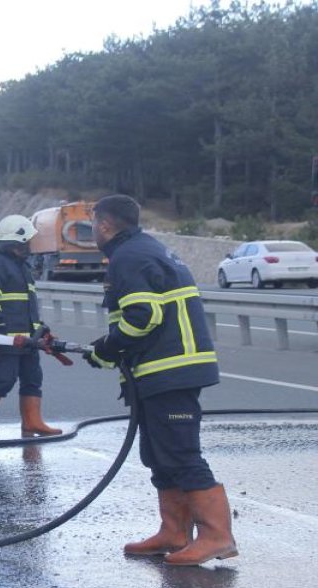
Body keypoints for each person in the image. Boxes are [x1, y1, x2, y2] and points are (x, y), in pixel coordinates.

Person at [85, 194, 235, 565]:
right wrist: (109, 352)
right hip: (160, 368)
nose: (92, 231)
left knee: (181, 454)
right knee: (158, 454)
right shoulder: (145, 249)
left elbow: (142, 316)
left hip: (171, 369)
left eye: (92, 224)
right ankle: (174, 533)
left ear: (105, 225)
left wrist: (107, 347)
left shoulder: (129, 257)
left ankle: (217, 536)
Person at [0, 214, 61, 439]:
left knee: (33, 378)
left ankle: (32, 422)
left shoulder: (22, 266)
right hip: (4, 336)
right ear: (17, 242)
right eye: (27, 240)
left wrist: (41, 329)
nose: (30, 245)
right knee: (3, 379)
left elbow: (28, 304)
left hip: (28, 337)